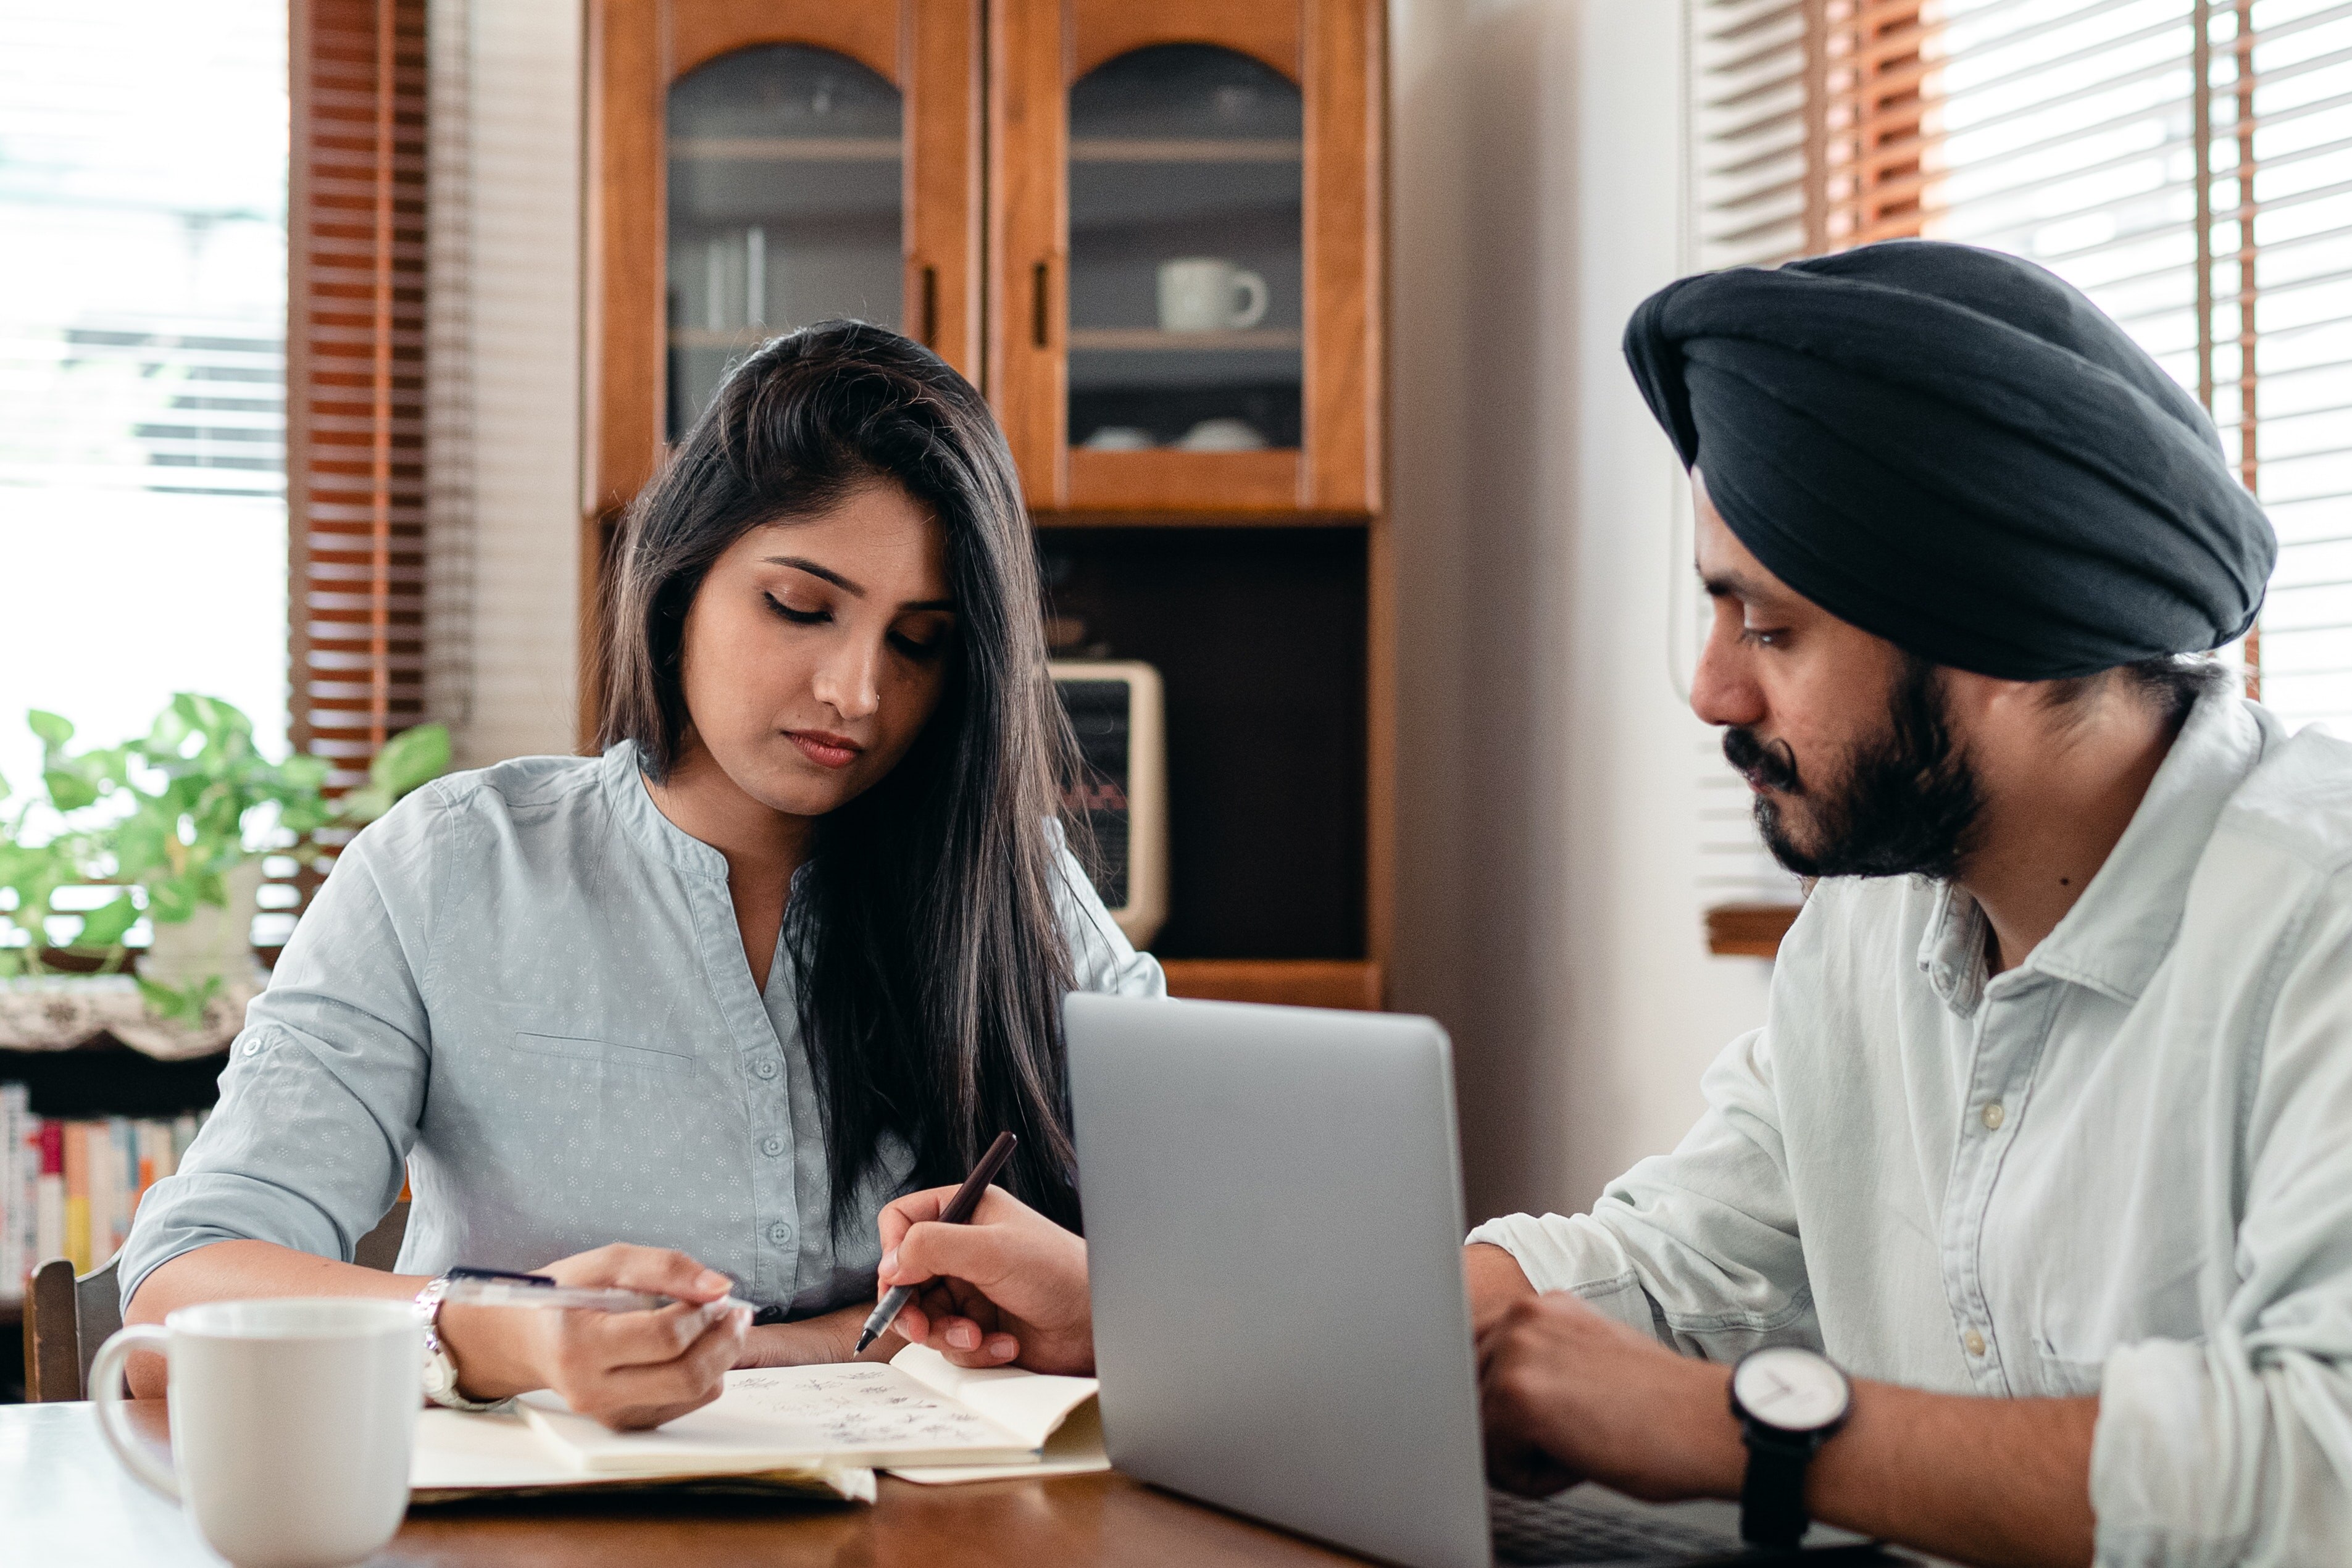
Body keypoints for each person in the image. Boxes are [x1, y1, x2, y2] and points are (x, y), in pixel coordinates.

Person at [874, 244, 2352, 1566]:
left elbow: (2321, 1465)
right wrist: (1171, 1328)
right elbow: (1677, 1266)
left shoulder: (2317, 918)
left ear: (2011, 642)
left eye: (1770, 625)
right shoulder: (1876, 923)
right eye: (1714, 608)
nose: (1710, 687)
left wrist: (1740, 1430)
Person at [120, 321, 1162, 1428]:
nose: (858, 692)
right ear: (680, 578)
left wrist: (1103, 1310)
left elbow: (1238, 1261)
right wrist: (495, 1329)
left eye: (918, 642)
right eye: (800, 609)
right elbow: (176, 1301)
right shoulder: (453, 867)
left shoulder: (1017, 888)